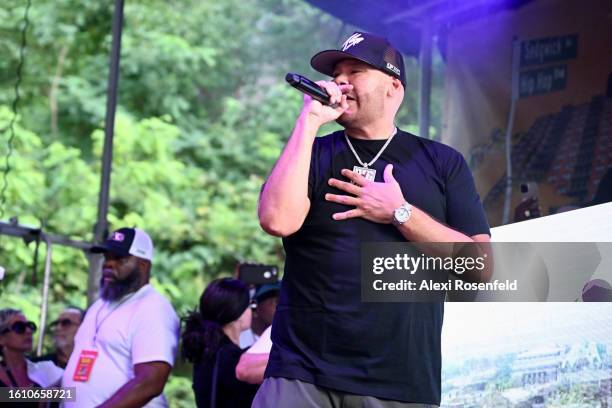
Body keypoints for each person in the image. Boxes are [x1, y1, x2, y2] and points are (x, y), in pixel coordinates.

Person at [257, 31, 491, 407]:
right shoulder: (311, 152)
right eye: (336, 74)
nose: (340, 81)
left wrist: (400, 212)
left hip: (398, 380)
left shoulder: (441, 162)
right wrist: (308, 121)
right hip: (302, 370)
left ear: (393, 87)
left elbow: (479, 267)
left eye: (355, 71)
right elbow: (276, 221)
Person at [61, 227, 180, 407]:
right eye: (107, 257)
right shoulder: (99, 305)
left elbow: (151, 381)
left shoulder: (153, 307)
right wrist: (42, 395)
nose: (108, 264)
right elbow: (80, 377)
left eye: (119, 259)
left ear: (143, 265)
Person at [182, 278, 259, 408]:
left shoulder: (206, 352)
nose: (253, 311)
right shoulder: (233, 359)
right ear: (238, 313)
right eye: (250, 305)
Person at [0, 308, 64, 407]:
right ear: (1, 338)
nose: (28, 331)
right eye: (19, 327)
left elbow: (75, 392)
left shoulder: (45, 368)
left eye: (30, 326)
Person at [238, 282, 280, 348]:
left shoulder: (285, 340)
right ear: (254, 307)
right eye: (277, 302)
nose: (281, 308)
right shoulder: (238, 340)